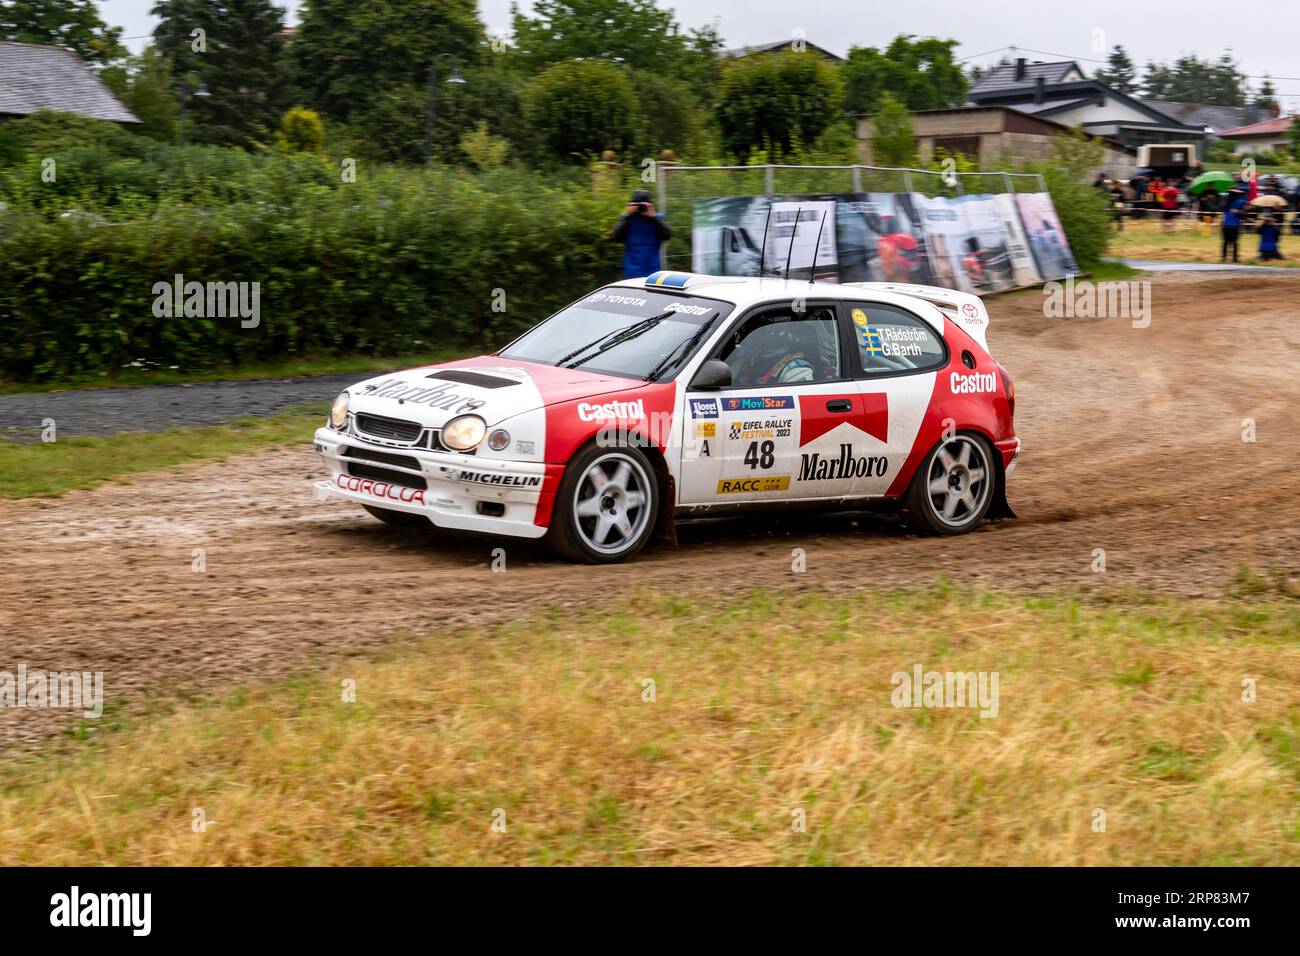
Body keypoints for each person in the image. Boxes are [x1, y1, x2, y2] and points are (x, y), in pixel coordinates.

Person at [612, 189, 672, 279]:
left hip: (652, 272)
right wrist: (627, 216)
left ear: (650, 205)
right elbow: (616, 237)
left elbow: (668, 235)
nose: (640, 208)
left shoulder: (657, 219)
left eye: (643, 205)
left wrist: (653, 218)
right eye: (637, 205)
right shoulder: (628, 219)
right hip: (631, 273)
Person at [1222, 189, 1246, 262]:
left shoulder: (1227, 203)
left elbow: (1243, 213)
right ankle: (1234, 258)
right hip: (1233, 226)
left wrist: (1238, 212)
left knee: (1226, 242)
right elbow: (1243, 213)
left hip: (1228, 225)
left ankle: (1224, 258)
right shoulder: (1238, 202)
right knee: (1234, 243)